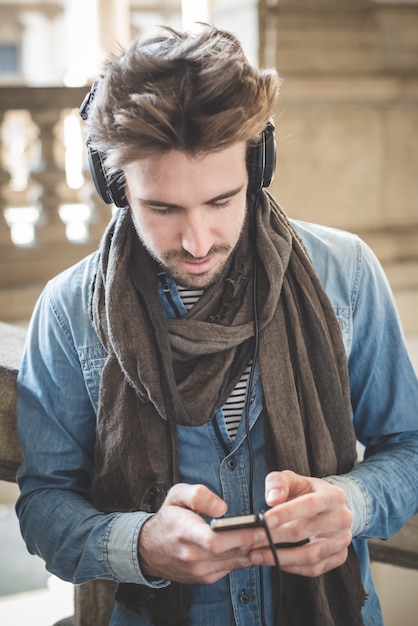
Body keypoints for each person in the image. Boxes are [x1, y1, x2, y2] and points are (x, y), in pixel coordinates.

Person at [16, 24, 418, 626]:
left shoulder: (347, 273)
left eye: (221, 200)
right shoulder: (67, 309)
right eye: (163, 208)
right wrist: (140, 543)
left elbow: (409, 446)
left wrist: (354, 504)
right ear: (115, 184)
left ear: (258, 166)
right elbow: (44, 504)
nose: (197, 241)